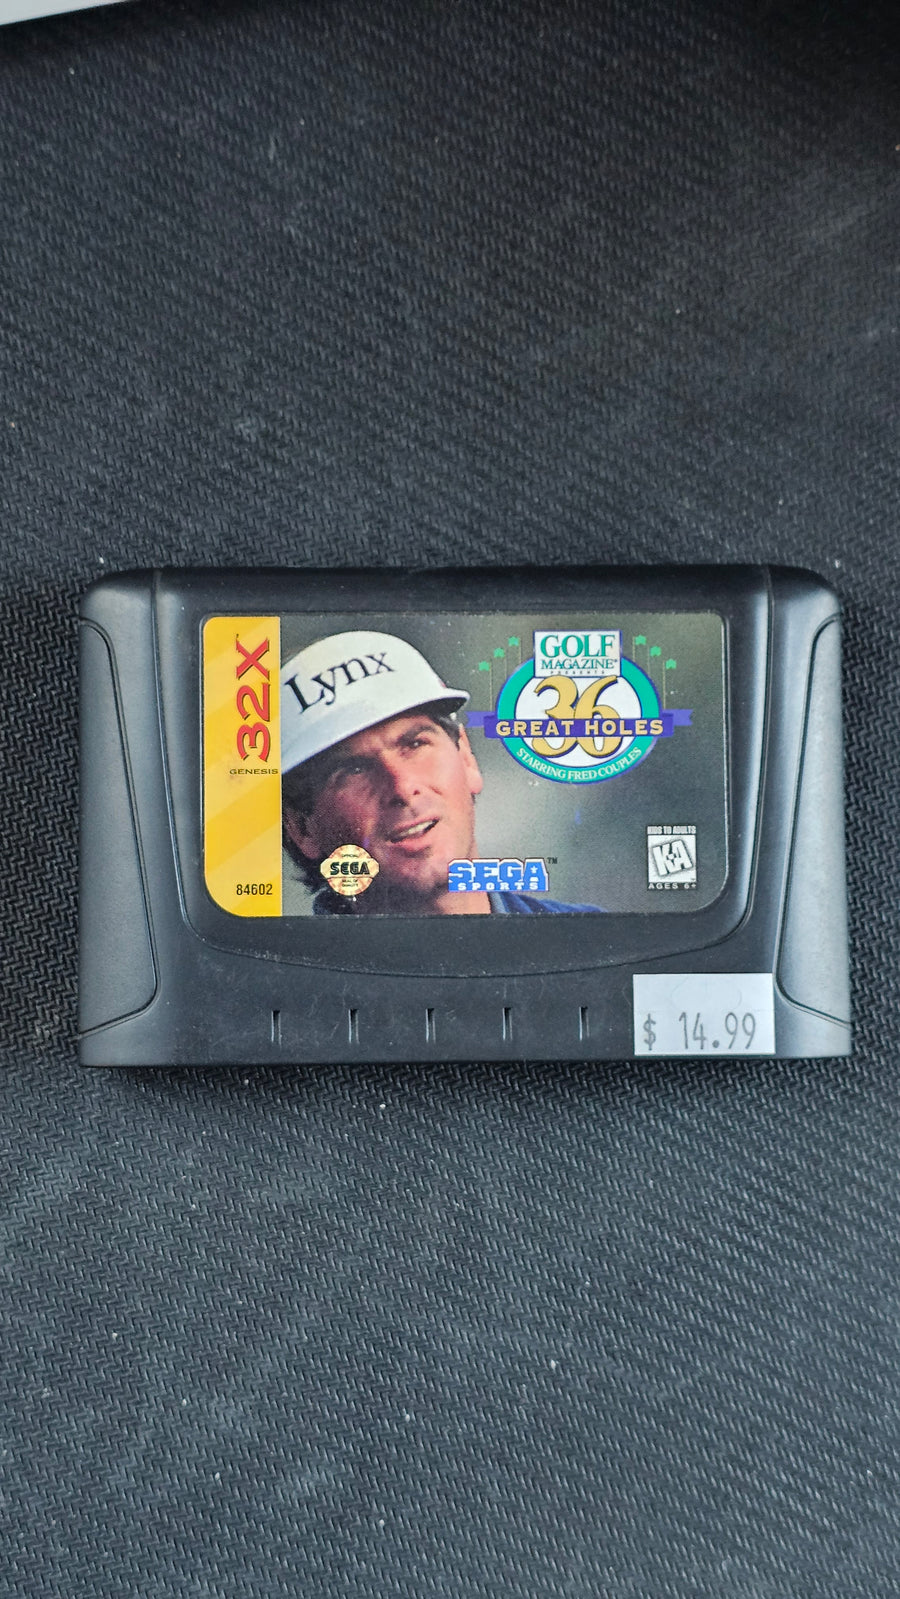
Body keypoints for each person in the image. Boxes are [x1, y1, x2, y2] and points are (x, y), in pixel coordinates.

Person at [280, 629, 599, 915]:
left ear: (466, 757)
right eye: (355, 769)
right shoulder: (280, 966)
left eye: (415, 744)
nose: (403, 787)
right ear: (301, 828)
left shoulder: (590, 940)